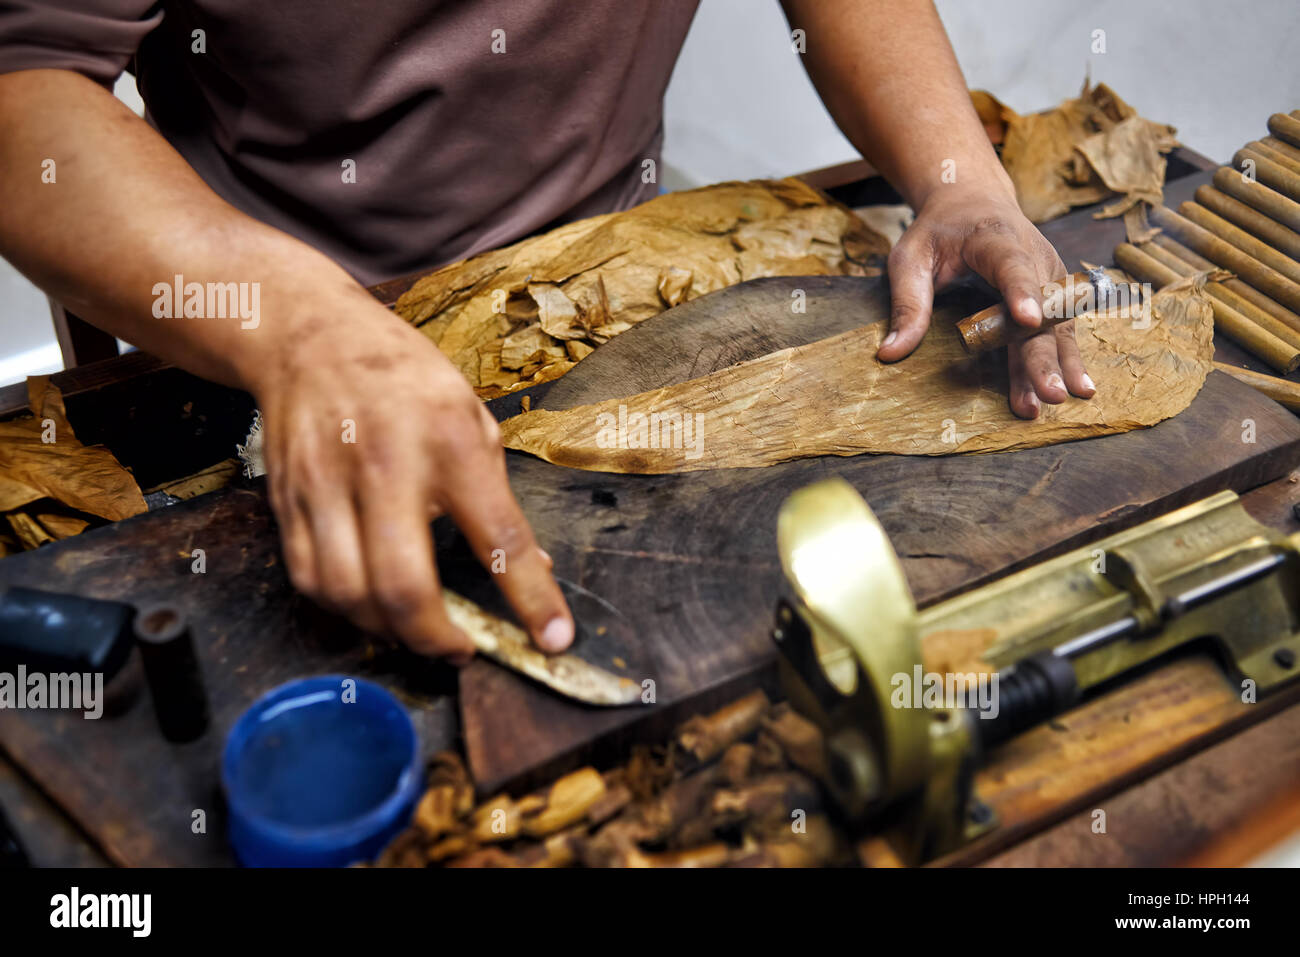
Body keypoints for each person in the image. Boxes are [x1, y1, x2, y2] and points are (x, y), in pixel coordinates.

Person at [0, 1, 1093, 660]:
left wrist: (958, 180)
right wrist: (301, 331)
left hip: (625, 257)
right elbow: (24, 85)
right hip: (252, 313)